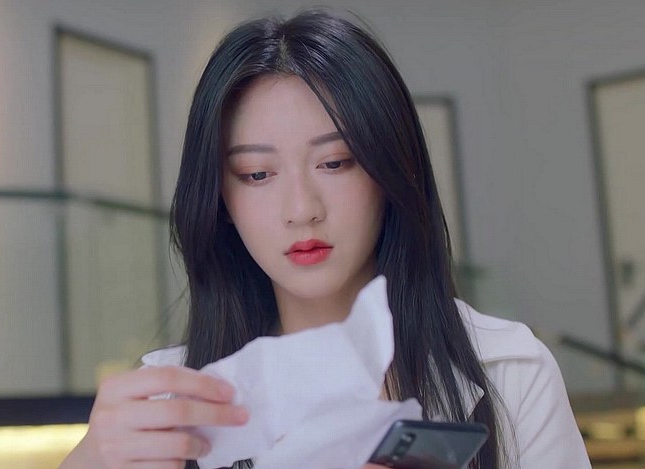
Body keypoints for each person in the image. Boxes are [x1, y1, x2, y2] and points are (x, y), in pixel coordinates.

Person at [60, 9, 590, 469]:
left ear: (391, 169)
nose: (302, 210)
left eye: (335, 163)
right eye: (257, 174)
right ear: (221, 199)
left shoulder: (511, 373)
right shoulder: (169, 404)